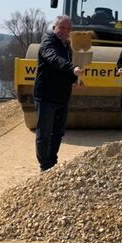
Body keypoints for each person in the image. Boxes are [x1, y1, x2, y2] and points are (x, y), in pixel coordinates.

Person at [33, 15, 83, 172]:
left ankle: (52, 163)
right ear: (54, 27)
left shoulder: (66, 46)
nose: (65, 31)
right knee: (44, 133)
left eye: (68, 29)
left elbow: (64, 70)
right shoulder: (48, 43)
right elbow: (54, 59)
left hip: (62, 96)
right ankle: (44, 166)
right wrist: (71, 68)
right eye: (62, 28)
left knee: (58, 132)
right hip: (46, 96)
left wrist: (75, 79)